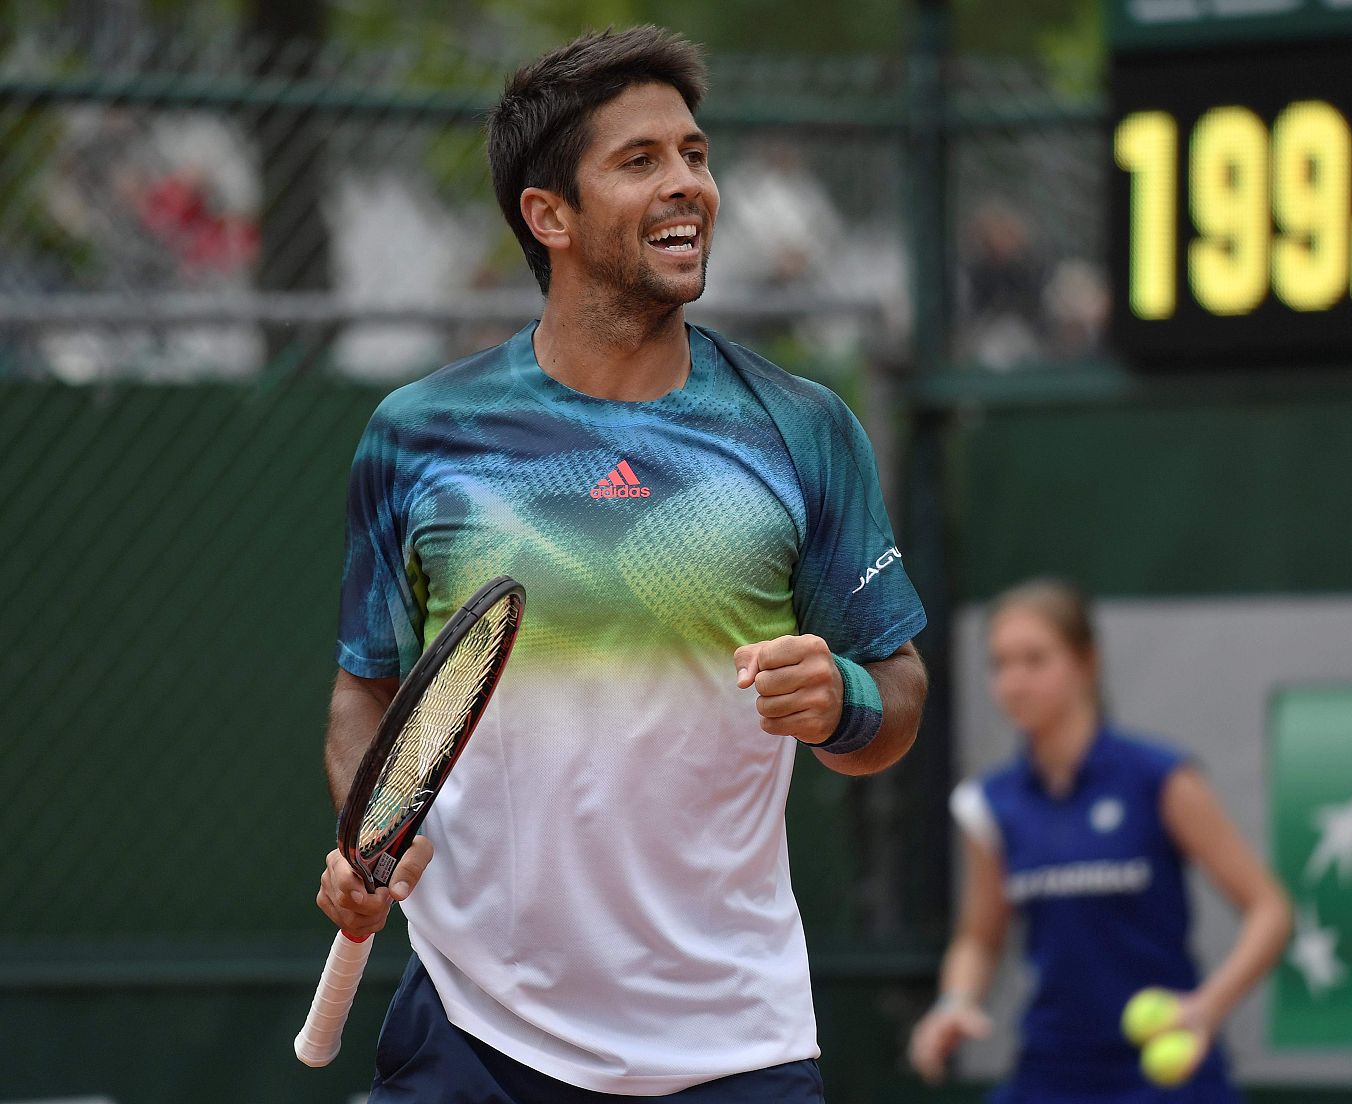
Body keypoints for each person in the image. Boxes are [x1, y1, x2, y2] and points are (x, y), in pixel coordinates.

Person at [315, 26, 928, 1104]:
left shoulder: (803, 429)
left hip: (734, 1046)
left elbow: (902, 703)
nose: (689, 183)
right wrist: (369, 839)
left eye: (694, 153)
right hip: (474, 1032)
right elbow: (366, 690)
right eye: (640, 161)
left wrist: (844, 700)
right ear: (548, 216)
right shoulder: (419, 437)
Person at [908, 579, 1289, 1103]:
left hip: (1165, 1077)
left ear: (1086, 662)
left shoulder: (1161, 779)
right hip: (1051, 1072)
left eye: (1035, 660)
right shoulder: (991, 803)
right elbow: (979, 936)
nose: (1014, 682)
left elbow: (1270, 910)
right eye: (1000, 664)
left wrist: (1206, 1009)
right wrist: (954, 1003)